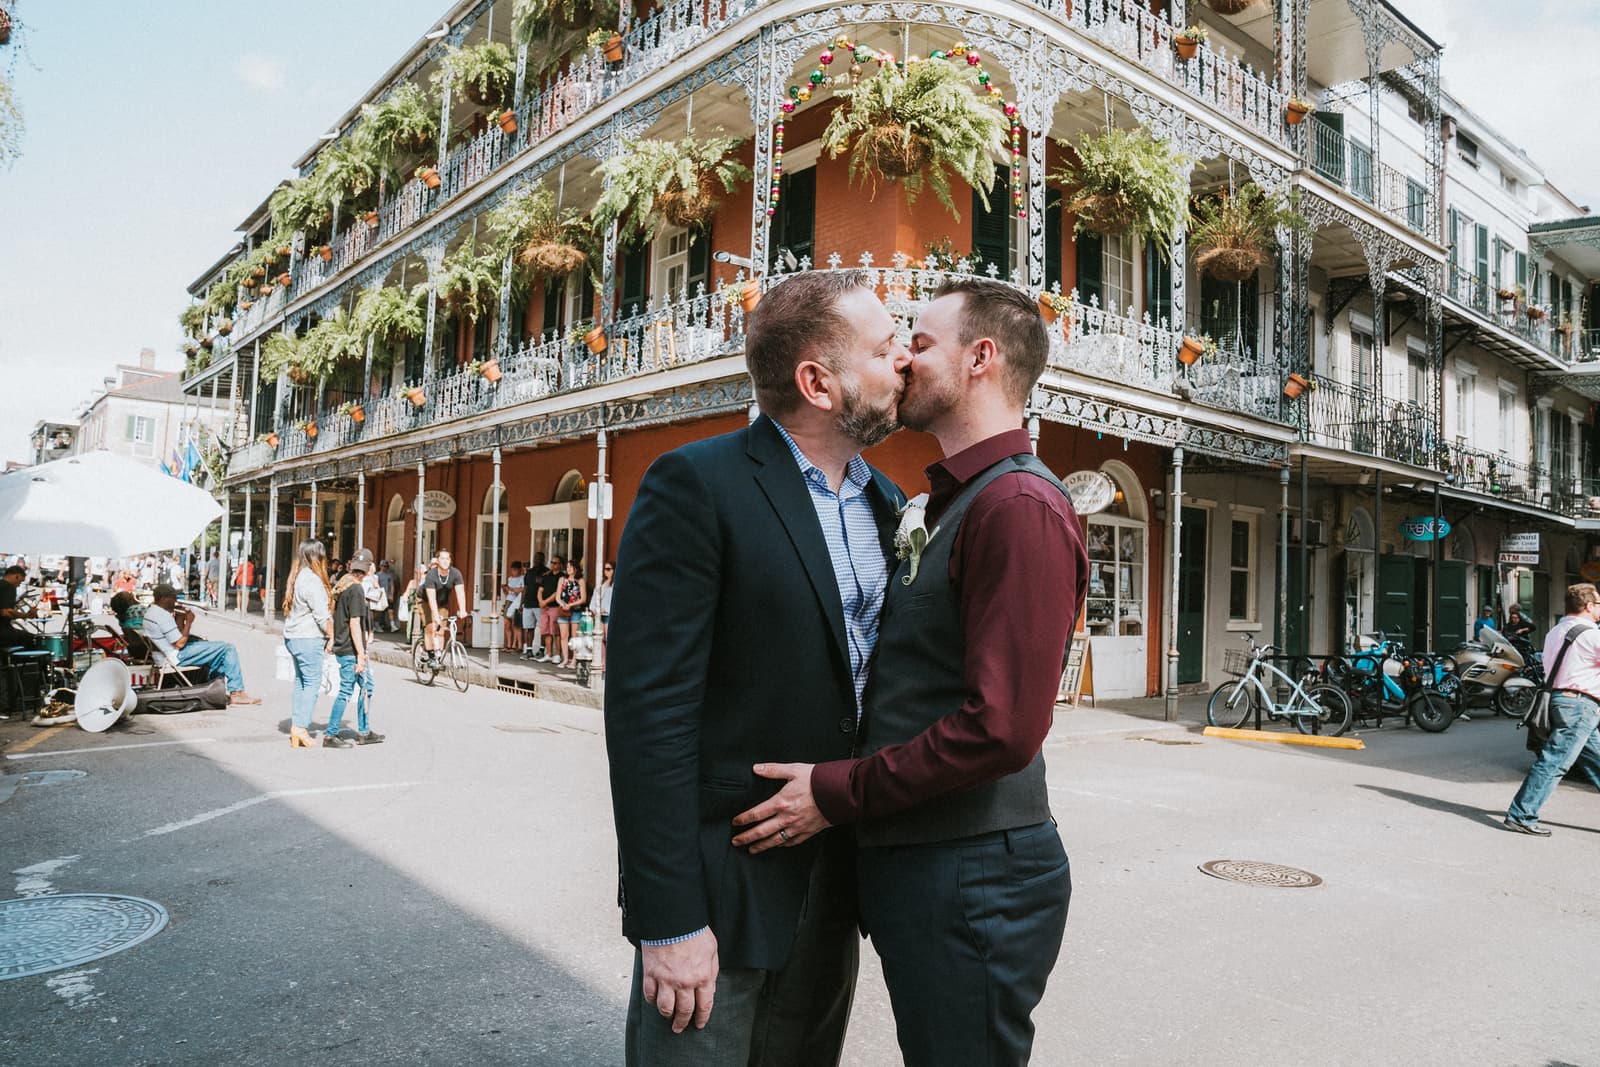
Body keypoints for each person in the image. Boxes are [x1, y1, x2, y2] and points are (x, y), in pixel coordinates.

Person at [733, 278, 1086, 1066]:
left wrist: (836, 790)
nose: (902, 361)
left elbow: (1004, 727)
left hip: (975, 878)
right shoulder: (947, 502)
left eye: (919, 344)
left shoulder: (1019, 506)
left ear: (982, 358)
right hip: (928, 870)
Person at [605, 269, 909, 1064]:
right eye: (884, 348)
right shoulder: (697, 484)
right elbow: (648, 713)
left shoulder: (890, 504)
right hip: (720, 898)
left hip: (834, 891)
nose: (905, 359)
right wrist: (668, 921)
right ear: (818, 381)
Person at [1504, 583, 1600, 836]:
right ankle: (1521, 814)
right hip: (1580, 704)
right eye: (1598, 603)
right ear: (1589, 606)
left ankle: (1521, 813)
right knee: (1554, 762)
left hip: (1561, 700)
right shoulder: (1592, 635)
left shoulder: (1555, 631)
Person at [142, 583, 262, 705]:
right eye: (173, 597)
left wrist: (179, 618)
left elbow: (177, 635)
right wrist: (188, 622)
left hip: (166, 654)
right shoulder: (162, 616)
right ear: (163, 599)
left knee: (218, 648)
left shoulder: (152, 612)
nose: (176, 600)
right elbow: (180, 643)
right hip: (175, 656)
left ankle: (215, 690)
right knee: (227, 648)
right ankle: (236, 692)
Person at [324, 549, 385, 748]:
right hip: (351, 648)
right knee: (347, 691)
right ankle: (331, 734)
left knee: (367, 687)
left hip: (343, 645)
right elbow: (354, 623)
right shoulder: (356, 589)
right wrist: (361, 654)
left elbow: (333, 615)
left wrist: (332, 639)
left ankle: (364, 731)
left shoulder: (343, 584)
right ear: (367, 568)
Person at [282, 539, 334, 748]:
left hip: (293, 637)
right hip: (308, 638)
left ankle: (297, 724)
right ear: (318, 557)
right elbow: (322, 616)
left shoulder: (298, 577)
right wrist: (332, 636)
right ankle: (301, 727)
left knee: (301, 681)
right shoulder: (312, 581)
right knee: (311, 682)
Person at [422, 550, 467, 663]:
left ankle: (439, 656)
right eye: (442, 558)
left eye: (448, 559)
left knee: (441, 630)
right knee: (431, 627)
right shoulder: (431, 575)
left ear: (450, 561)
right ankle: (430, 655)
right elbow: (431, 598)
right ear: (437, 561)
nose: (445, 561)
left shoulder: (455, 573)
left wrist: (462, 609)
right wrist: (436, 615)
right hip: (425, 600)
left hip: (442, 602)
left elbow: (460, 592)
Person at [0, 565, 38, 651]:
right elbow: (6, 612)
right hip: (2, 631)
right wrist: (27, 615)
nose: (18, 586)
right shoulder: (9, 587)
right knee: (33, 639)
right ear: (16, 576)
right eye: (20, 582)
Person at [556, 559, 586, 669]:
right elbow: (557, 596)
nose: (568, 569)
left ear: (575, 568)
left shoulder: (580, 580)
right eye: (567, 567)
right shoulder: (562, 579)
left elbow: (583, 598)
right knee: (564, 635)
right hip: (563, 609)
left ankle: (574, 659)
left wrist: (571, 605)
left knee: (575, 636)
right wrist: (563, 604)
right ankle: (565, 659)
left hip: (576, 610)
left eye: (571, 567)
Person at [534, 555, 563, 663]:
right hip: (544, 607)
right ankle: (549, 654)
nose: (553, 565)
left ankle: (558, 654)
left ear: (560, 564)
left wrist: (545, 601)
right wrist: (541, 601)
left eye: (555, 563)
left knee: (555, 631)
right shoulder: (546, 576)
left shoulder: (561, 576)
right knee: (545, 631)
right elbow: (540, 590)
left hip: (554, 606)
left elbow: (557, 593)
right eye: (552, 562)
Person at [590, 561, 614, 663]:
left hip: (609, 615)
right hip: (599, 615)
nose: (606, 572)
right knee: (601, 639)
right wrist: (595, 609)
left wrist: (607, 609)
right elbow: (594, 599)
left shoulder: (615, 585)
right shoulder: (601, 585)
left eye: (609, 569)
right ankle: (603, 661)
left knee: (609, 639)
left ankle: (609, 662)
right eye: (605, 569)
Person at [503, 561, 525, 654]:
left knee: (515, 624)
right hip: (509, 600)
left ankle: (515, 645)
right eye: (512, 570)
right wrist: (505, 590)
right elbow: (508, 593)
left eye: (515, 570)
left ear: (519, 570)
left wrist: (511, 589)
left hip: (516, 602)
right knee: (506, 623)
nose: (513, 572)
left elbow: (521, 590)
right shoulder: (510, 579)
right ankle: (508, 644)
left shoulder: (522, 578)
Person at [374, 560, 398, 633]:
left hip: (387, 595)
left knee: (390, 611)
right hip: (380, 595)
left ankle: (392, 625)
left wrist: (391, 595)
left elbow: (392, 585)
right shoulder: (377, 575)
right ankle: (376, 624)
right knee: (378, 612)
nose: (385, 568)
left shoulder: (389, 575)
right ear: (380, 566)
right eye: (383, 566)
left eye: (386, 566)